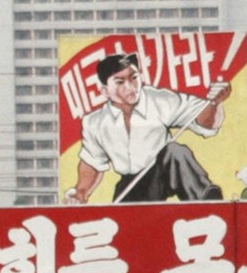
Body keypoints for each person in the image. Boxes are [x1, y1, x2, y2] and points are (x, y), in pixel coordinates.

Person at [65, 52, 231, 204]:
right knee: (123, 220)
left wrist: (214, 103)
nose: (130, 86)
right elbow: (93, 162)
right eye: (120, 82)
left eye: (133, 78)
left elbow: (203, 121)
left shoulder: (159, 100)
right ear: (105, 91)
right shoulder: (94, 122)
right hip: (131, 187)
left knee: (174, 152)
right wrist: (81, 192)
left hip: (163, 172)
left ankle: (206, 201)